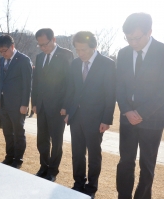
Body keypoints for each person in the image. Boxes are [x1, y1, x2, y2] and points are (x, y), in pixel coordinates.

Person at [116, 13, 164, 199]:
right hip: (127, 118)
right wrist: (127, 110)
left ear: (149, 31)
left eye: (136, 38)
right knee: (125, 162)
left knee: (147, 164)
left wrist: (140, 113)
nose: (133, 42)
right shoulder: (123, 53)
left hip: (153, 118)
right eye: (128, 38)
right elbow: (118, 85)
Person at [64, 31, 116, 198]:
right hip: (76, 116)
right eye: (77, 50)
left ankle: (91, 187)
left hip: (96, 119)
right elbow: (71, 89)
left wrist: (107, 119)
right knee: (77, 153)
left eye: (84, 50)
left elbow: (110, 94)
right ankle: (78, 183)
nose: (80, 53)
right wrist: (68, 110)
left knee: (94, 154)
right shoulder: (75, 63)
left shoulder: (107, 64)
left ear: (94, 47)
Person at [32, 28, 73, 182]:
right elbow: (36, 82)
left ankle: (52, 171)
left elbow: (70, 83)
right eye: (40, 45)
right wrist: (34, 102)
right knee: (41, 140)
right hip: (41, 105)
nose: (43, 47)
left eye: (45, 44)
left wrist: (65, 105)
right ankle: (43, 167)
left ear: (53, 39)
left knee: (56, 141)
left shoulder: (66, 54)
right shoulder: (39, 57)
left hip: (58, 107)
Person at [0, 34, 32, 169]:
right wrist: (0, 99)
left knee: (18, 132)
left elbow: (27, 84)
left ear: (12, 46)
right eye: (0, 51)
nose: (3, 53)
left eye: (4, 50)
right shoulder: (2, 59)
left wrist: (24, 104)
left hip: (18, 104)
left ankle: (18, 159)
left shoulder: (23, 60)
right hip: (4, 102)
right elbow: (1, 81)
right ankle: (9, 156)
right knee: (7, 131)